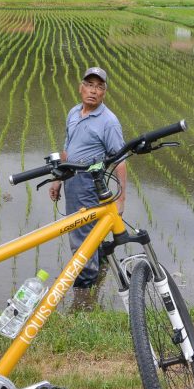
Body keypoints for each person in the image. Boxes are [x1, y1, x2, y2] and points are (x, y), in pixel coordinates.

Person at [49, 67, 127, 310]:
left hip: (89, 182)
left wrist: (121, 199)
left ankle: (84, 294)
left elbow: (120, 159)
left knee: (80, 234)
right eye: (89, 85)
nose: (93, 90)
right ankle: (98, 264)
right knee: (86, 232)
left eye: (99, 86)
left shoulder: (109, 122)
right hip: (71, 178)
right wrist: (58, 178)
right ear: (81, 87)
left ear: (104, 92)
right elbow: (67, 148)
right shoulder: (74, 112)